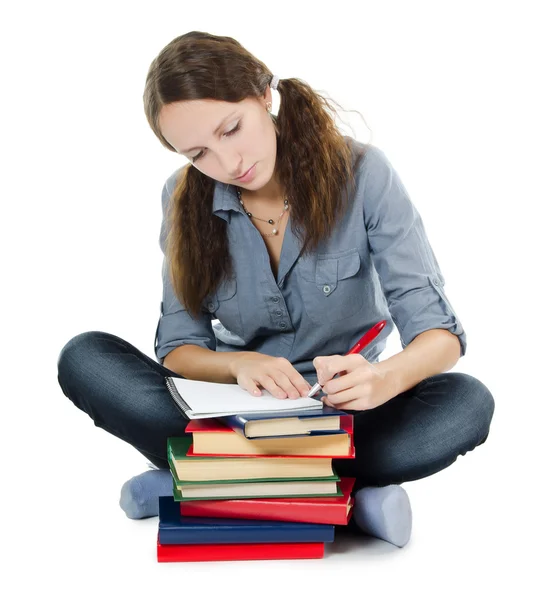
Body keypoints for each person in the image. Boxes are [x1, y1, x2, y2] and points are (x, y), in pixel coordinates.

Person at [57, 31, 495, 549]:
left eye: (232, 129)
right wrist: (239, 366)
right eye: (199, 152)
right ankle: (348, 501)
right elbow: (179, 347)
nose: (227, 163)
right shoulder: (181, 196)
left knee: (465, 403)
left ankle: (198, 485)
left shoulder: (363, 173)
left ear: (264, 94)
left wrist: (383, 379)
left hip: (345, 417)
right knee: (85, 357)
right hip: (231, 414)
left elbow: (439, 334)